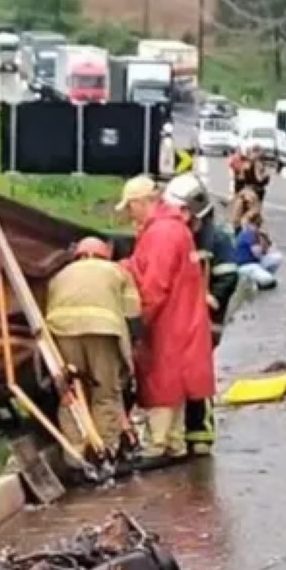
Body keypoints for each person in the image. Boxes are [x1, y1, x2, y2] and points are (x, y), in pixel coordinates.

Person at [119, 173, 215, 459]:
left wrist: (137, 322)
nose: (128, 214)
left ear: (142, 203)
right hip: (184, 320)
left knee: (161, 379)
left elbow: (154, 285)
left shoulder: (161, 233)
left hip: (168, 324)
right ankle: (173, 441)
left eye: (130, 207)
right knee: (176, 381)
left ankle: (158, 443)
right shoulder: (173, 229)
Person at [44, 237, 143, 458]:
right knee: (105, 392)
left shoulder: (60, 275)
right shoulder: (117, 272)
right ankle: (106, 451)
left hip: (62, 333)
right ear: (105, 254)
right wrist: (132, 348)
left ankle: (76, 455)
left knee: (71, 394)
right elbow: (133, 314)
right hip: (103, 333)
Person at [179, 174, 240, 455]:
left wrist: (211, 300)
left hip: (206, 321)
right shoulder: (183, 237)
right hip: (184, 320)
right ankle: (183, 431)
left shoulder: (216, 239)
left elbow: (228, 277)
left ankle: (200, 431)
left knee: (198, 375)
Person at [234, 210, 281, 290]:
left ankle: (261, 276)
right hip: (246, 265)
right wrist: (262, 245)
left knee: (277, 257)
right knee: (268, 280)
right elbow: (257, 254)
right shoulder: (249, 234)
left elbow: (269, 250)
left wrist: (265, 242)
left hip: (254, 262)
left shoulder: (254, 233)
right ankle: (254, 282)